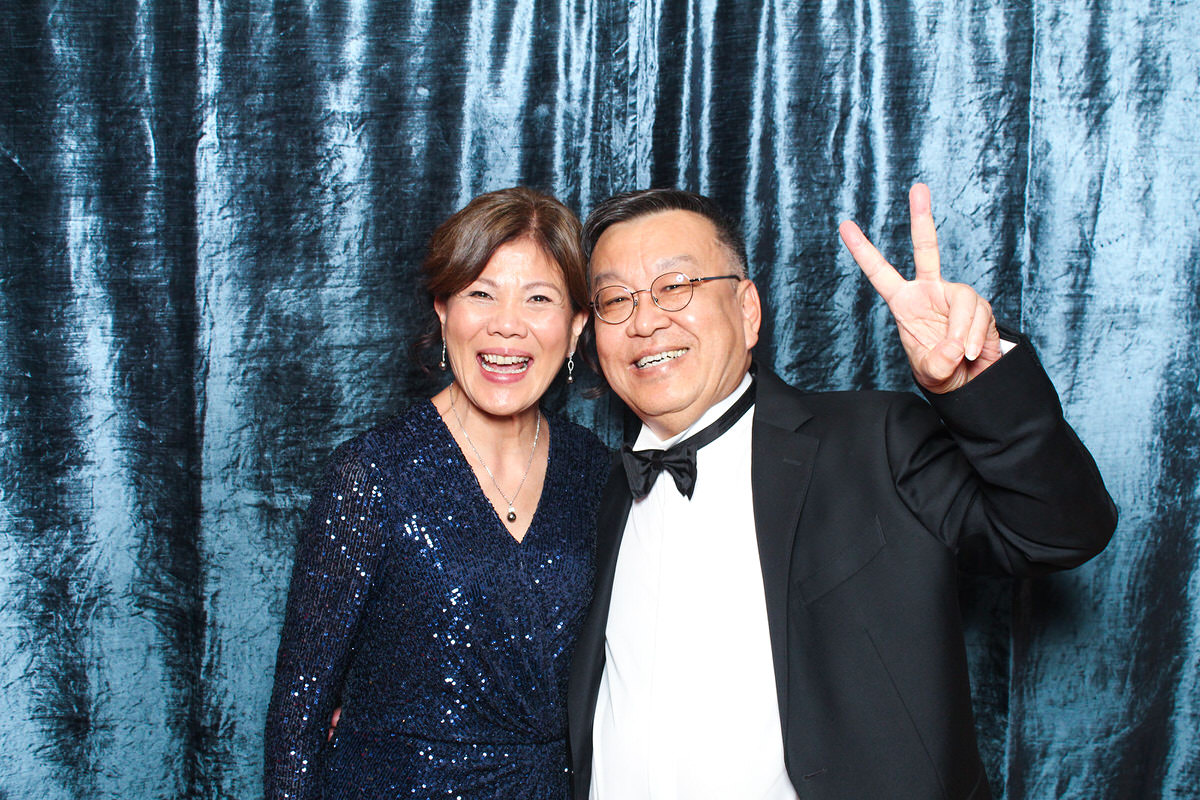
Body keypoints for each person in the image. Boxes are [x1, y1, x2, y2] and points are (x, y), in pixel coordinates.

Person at [566, 185, 1117, 799]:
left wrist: (980, 382)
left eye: (676, 288)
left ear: (748, 311)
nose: (645, 320)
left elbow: (1059, 531)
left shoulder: (874, 441)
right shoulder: (597, 490)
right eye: (616, 299)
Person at [264, 187, 611, 799]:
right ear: (443, 309)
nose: (507, 324)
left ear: (577, 323)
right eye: (481, 293)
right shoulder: (372, 473)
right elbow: (299, 711)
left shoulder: (597, 472)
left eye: (538, 299)